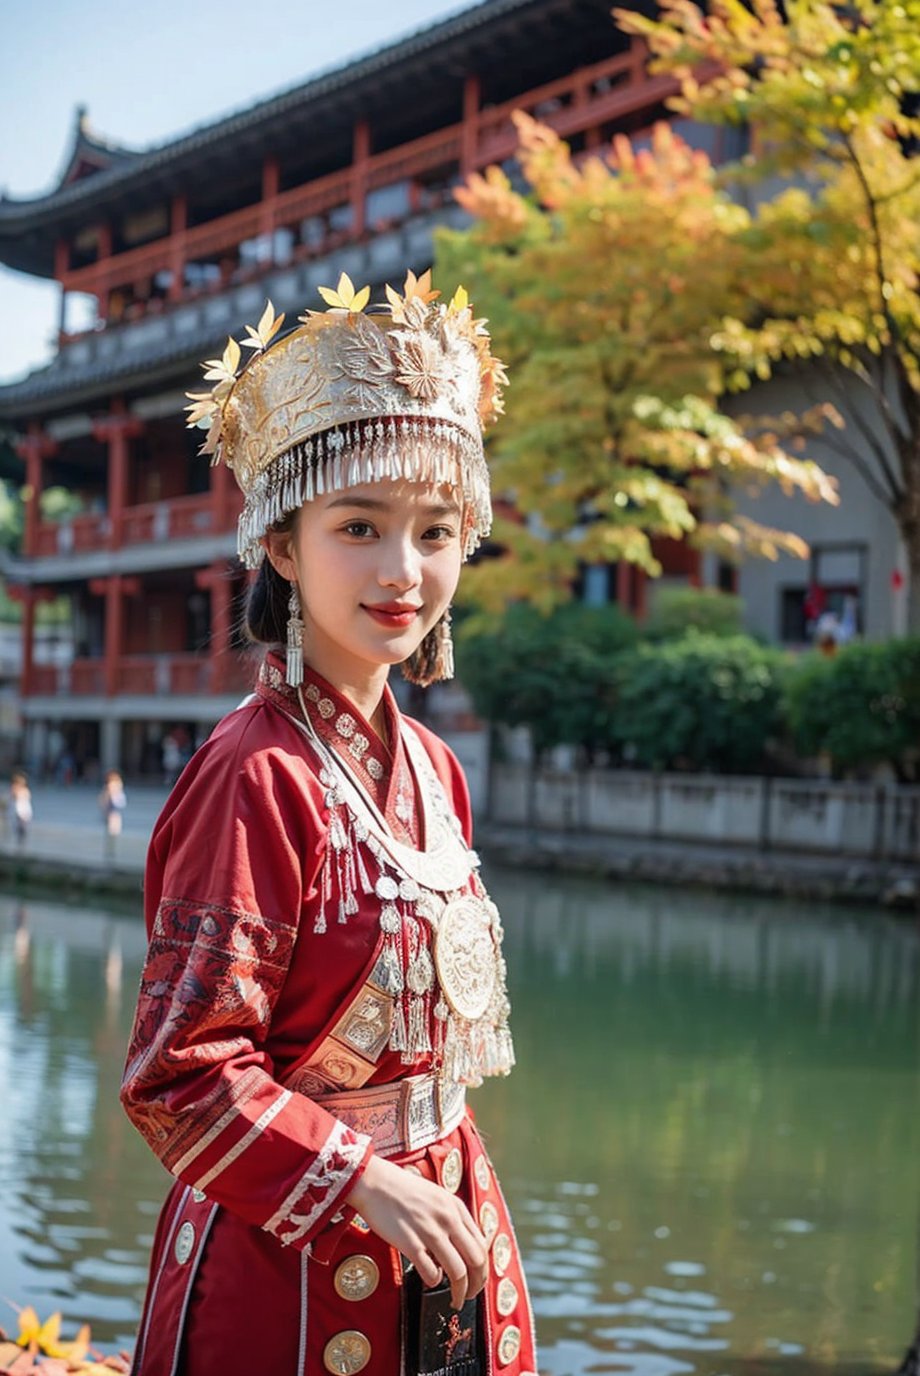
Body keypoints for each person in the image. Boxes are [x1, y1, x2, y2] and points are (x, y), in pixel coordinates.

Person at [120, 271, 536, 1376]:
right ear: (283, 546)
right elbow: (180, 1071)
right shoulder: (249, 776)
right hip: (289, 1270)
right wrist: (357, 1175)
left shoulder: (437, 769)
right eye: (360, 525)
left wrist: (418, 1186)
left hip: (446, 1228)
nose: (406, 571)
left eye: (435, 530)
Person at [98, 769, 127, 861]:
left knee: (112, 833)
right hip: (112, 813)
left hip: (113, 813)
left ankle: (110, 850)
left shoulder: (111, 788)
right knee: (112, 832)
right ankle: (110, 851)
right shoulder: (111, 788)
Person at [7, 771, 33, 850]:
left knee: (22, 827)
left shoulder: (23, 791)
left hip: (22, 810)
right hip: (18, 810)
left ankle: (21, 841)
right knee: (18, 827)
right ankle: (20, 841)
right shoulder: (16, 790)